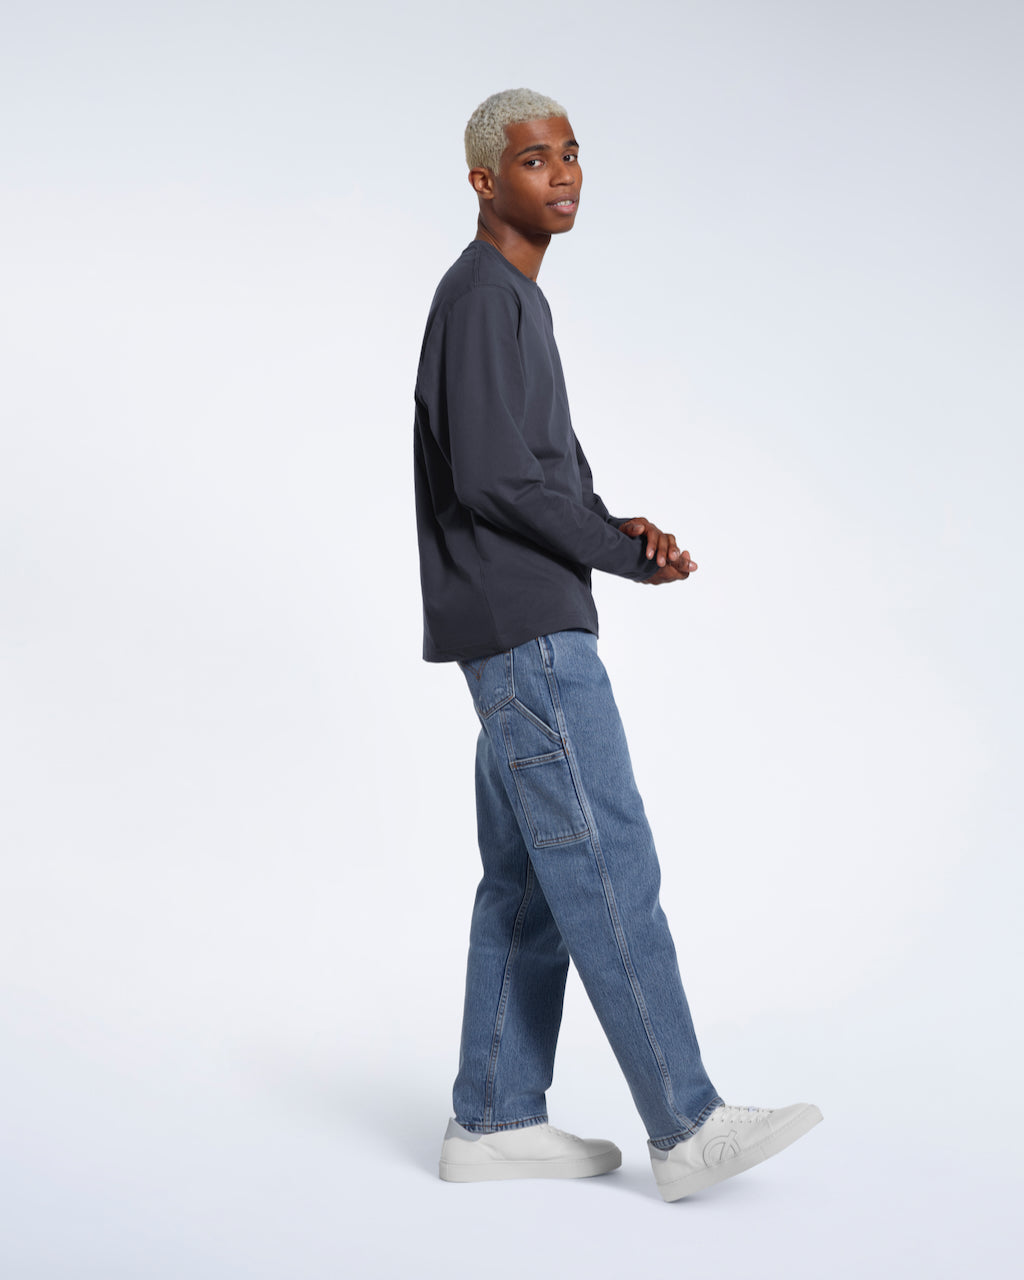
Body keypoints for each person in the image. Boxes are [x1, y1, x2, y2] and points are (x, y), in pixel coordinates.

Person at [412, 87, 821, 1202]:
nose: (565, 175)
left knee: (530, 880)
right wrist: (615, 551)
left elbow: (526, 468)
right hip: (529, 631)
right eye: (536, 159)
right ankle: (686, 1125)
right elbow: (497, 479)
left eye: (573, 155)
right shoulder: (484, 297)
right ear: (485, 181)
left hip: (515, 627)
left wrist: (613, 525)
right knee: (605, 860)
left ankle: (492, 1116)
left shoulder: (505, 302)